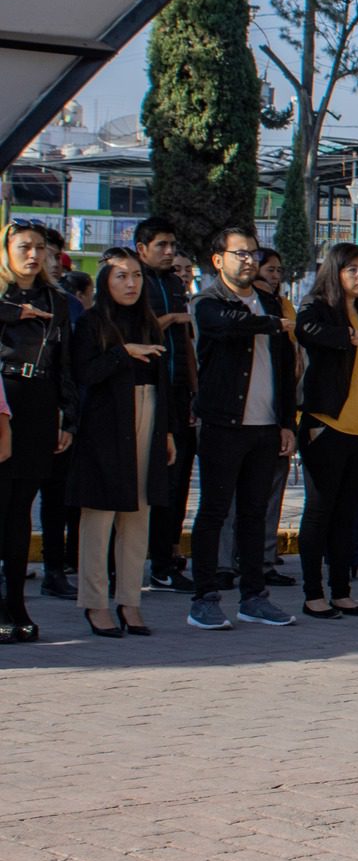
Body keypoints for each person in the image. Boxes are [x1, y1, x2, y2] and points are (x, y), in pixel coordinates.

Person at [186, 225, 298, 630]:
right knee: (214, 512)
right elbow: (226, 326)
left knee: (255, 513)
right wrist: (271, 324)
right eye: (240, 253)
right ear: (218, 260)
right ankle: (205, 597)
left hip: (265, 425)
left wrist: (286, 422)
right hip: (222, 424)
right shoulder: (208, 302)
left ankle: (255, 597)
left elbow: (285, 370)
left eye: (253, 253)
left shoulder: (271, 303)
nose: (249, 260)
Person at [68, 248, 174, 637]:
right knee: (98, 519)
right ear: (104, 281)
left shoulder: (149, 321)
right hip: (106, 425)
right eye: (120, 277)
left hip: (149, 416)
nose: (130, 284)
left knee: (138, 517)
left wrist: (167, 431)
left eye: (136, 276)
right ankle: (95, 604)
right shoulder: (92, 322)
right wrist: (123, 353)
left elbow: (165, 383)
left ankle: (130, 601)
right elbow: (85, 373)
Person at [293, 243, 358, 620]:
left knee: (348, 514)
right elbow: (307, 331)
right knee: (320, 511)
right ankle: (312, 593)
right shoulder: (316, 305)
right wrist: (348, 337)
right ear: (334, 272)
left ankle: (341, 591)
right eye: (351, 268)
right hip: (327, 427)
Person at [0, 221, 76, 639]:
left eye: (39, 248)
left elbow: (65, 362)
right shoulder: (3, 294)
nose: (32, 255)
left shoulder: (56, 299)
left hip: (40, 399)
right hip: (2, 399)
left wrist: (67, 415)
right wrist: (16, 312)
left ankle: (16, 606)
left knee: (19, 515)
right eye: (23, 247)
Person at [221, 247, 296, 589]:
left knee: (266, 497)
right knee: (226, 498)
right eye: (269, 270)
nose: (274, 276)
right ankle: (223, 565)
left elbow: (288, 368)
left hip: (272, 418)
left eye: (279, 271)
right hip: (230, 420)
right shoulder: (222, 307)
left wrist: (287, 422)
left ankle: (262, 564)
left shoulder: (282, 310)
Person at [135, 219, 198, 593]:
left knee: (176, 482)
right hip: (143, 391)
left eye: (172, 244)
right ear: (142, 248)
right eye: (161, 245)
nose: (169, 251)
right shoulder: (133, 281)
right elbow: (131, 332)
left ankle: (165, 560)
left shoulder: (175, 284)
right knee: (139, 479)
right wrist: (172, 318)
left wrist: (194, 389)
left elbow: (187, 343)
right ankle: (120, 566)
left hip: (178, 392)